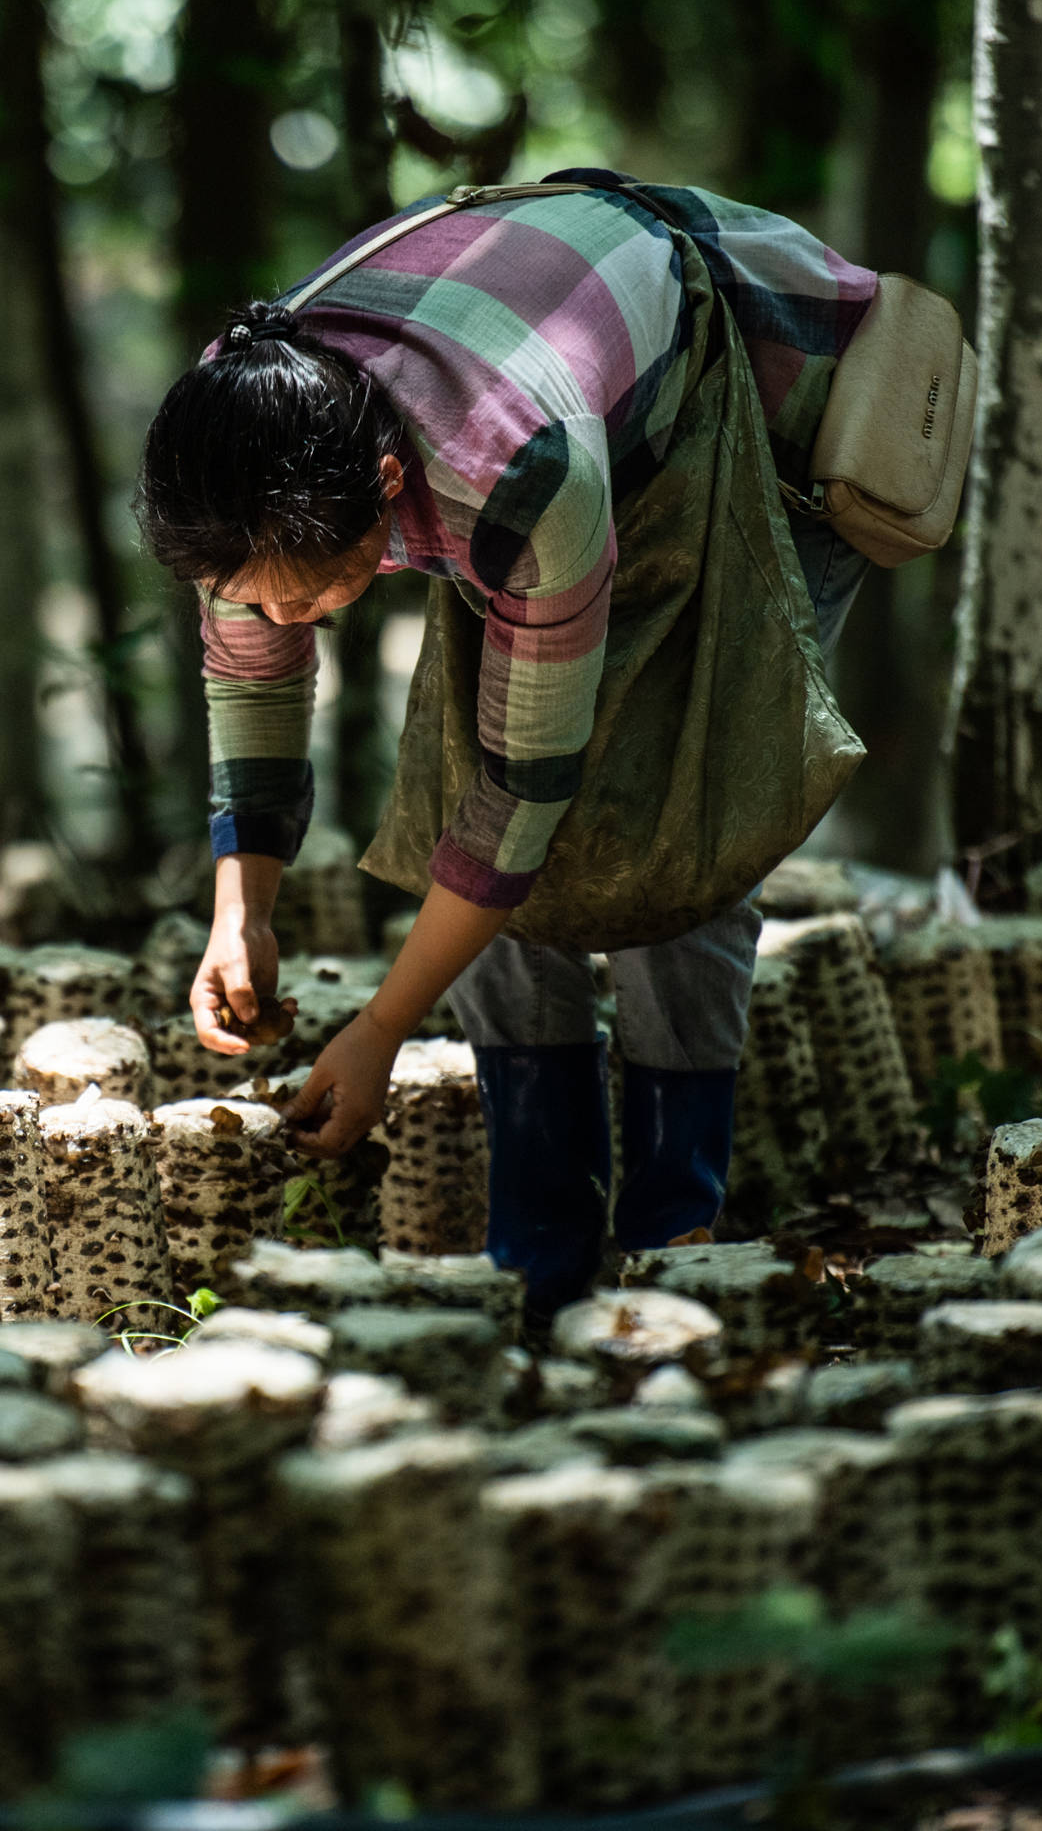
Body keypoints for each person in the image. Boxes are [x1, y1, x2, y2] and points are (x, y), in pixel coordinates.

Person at [135, 168, 878, 1318]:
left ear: (387, 491)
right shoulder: (239, 453)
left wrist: (382, 1029)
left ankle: (675, 1243)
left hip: (768, 418)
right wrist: (247, 910)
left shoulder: (513, 469)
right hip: (561, 417)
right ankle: (541, 1253)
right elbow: (251, 676)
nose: (285, 621)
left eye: (317, 593)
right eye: (257, 597)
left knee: (669, 821)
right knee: (482, 831)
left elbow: (522, 796)